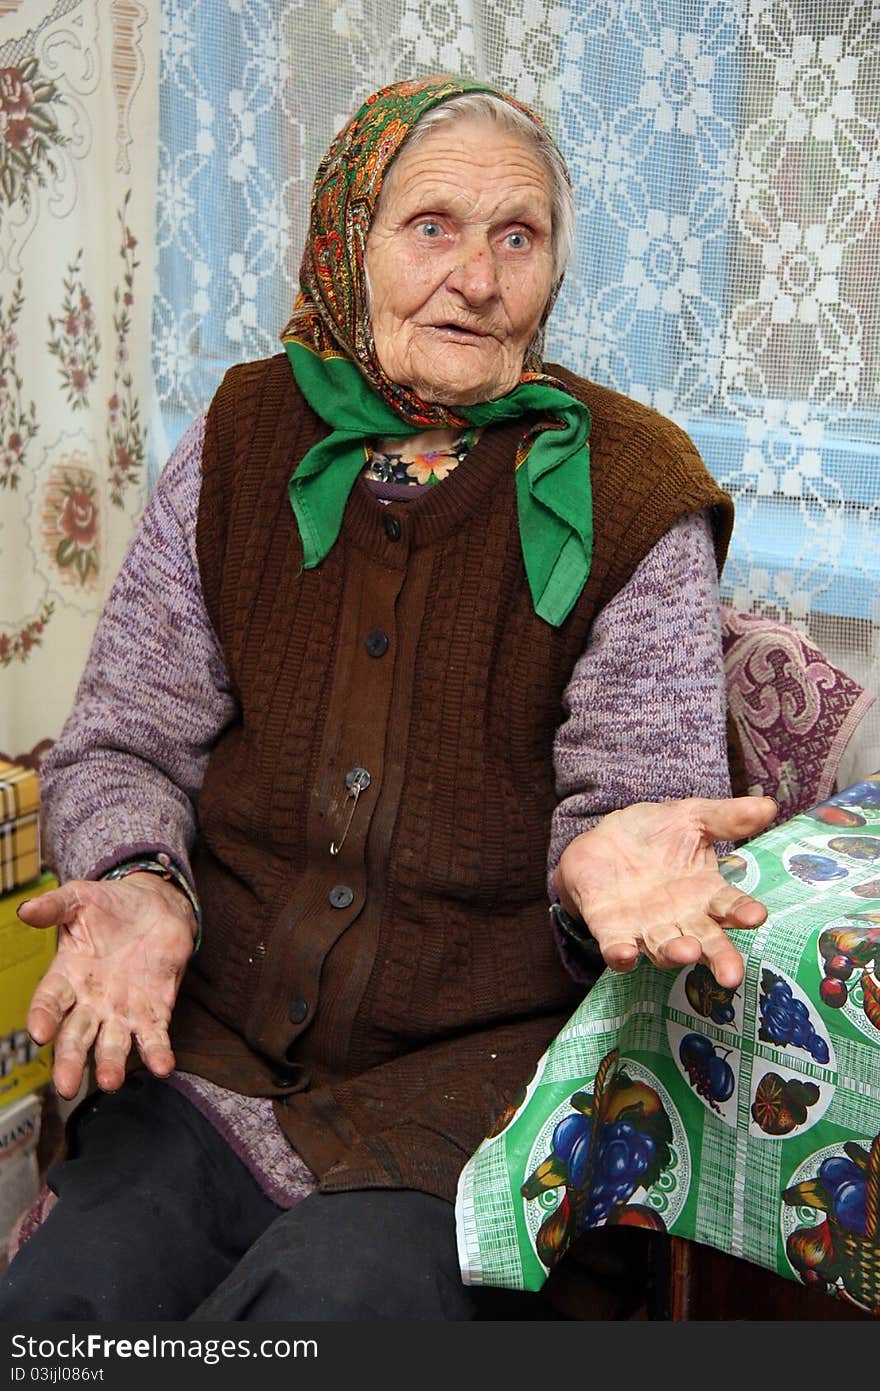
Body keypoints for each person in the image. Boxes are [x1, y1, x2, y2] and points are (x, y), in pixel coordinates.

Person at [0, 74, 774, 1321]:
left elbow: (639, 811)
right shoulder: (245, 434)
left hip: (470, 1096)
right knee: (58, 1313)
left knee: (319, 1323)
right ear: (345, 240)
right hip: (212, 1055)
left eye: (516, 237)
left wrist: (603, 855)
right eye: (431, 227)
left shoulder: (635, 485)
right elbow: (122, 742)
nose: (475, 277)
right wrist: (142, 881)